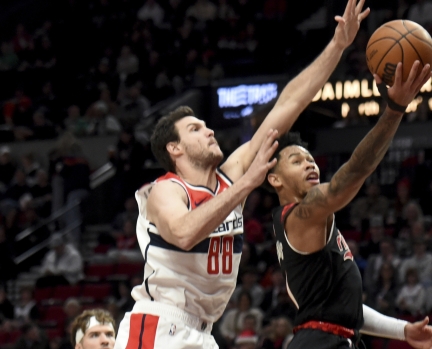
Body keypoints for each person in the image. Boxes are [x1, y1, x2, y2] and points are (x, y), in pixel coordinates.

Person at [113, 1, 372, 348]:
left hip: (202, 332)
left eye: (206, 126)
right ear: (174, 149)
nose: (208, 132)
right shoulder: (166, 190)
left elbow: (289, 102)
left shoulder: (228, 178)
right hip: (159, 323)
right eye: (194, 129)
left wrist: (337, 45)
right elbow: (184, 233)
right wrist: (247, 184)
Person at [266, 60, 432, 348]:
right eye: (296, 161)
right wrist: (394, 110)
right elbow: (351, 174)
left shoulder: (307, 224)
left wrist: (402, 330)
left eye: (310, 159)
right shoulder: (300, 216)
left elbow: (345, 311)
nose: (309, 164)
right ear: (275, 180)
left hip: (329, 338)